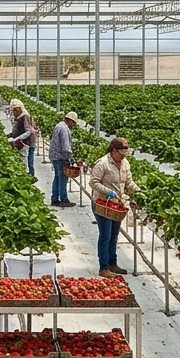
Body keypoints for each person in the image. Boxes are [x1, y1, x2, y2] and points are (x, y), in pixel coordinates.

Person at [89, 136, 140, 277]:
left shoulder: (125, 164)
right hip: (102, 204)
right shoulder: (102, 163)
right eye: (121, 154)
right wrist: (107, 191)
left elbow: (129, 182)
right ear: (114, 151)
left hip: (116, 205)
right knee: (105, 235)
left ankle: (113, 264)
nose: (123, 157)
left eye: (125, 155)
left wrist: (139, 191)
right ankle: (103, 267)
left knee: (114, 236)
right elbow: (93, 182)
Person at [47, 111, 79, 209]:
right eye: (73, 123)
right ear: (69, 120)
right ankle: (64, 200)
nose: (73, 125)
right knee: (63, 179)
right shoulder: (65, 129)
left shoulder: (59, 125)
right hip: (61, 157)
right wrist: (71, 159)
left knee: (57, 177)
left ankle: (55, 199)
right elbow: (66, 148)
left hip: (54, 156)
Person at [6, 100, 36, 177]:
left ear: (20, 110)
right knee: (25, 160)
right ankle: (28, 175)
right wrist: (8, 136)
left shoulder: (25, 117)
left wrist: (17, 139)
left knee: (28, 160)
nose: (14, 113)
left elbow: (29, 131)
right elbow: (16, 131)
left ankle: (30, 176)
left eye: (15, 111)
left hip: (28, 143)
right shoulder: (19, 118)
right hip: (23, 143)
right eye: (13, 111)